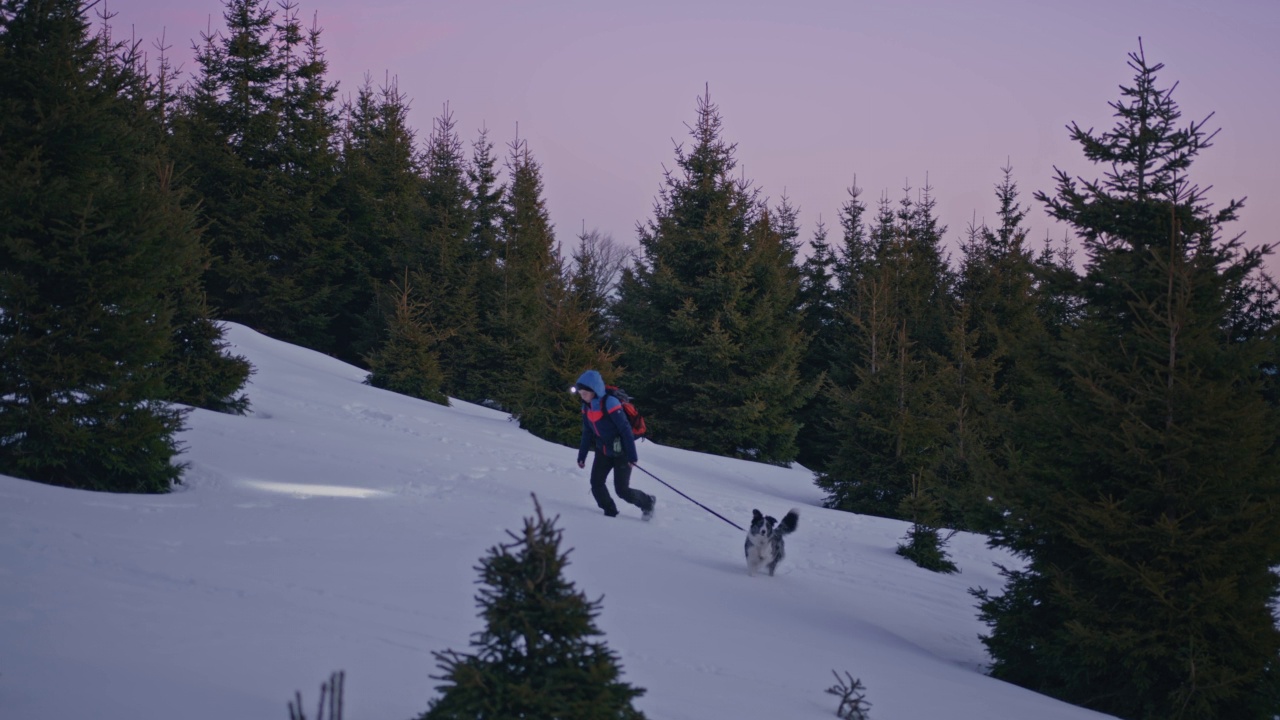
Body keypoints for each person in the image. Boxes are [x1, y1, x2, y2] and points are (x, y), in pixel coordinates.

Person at [574, 370, 656, 520]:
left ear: (594, 390)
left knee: (622, 490)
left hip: (622, 452)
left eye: (584, 392)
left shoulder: (610, 403)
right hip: (603, 450)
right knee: (596, 483)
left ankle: (647, 502)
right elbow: (587, 432)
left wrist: (632, 456)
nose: (582, 396)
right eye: (580, 392)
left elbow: (625, 430)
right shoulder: (586, 407)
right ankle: (609, 512)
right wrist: (582, 456)